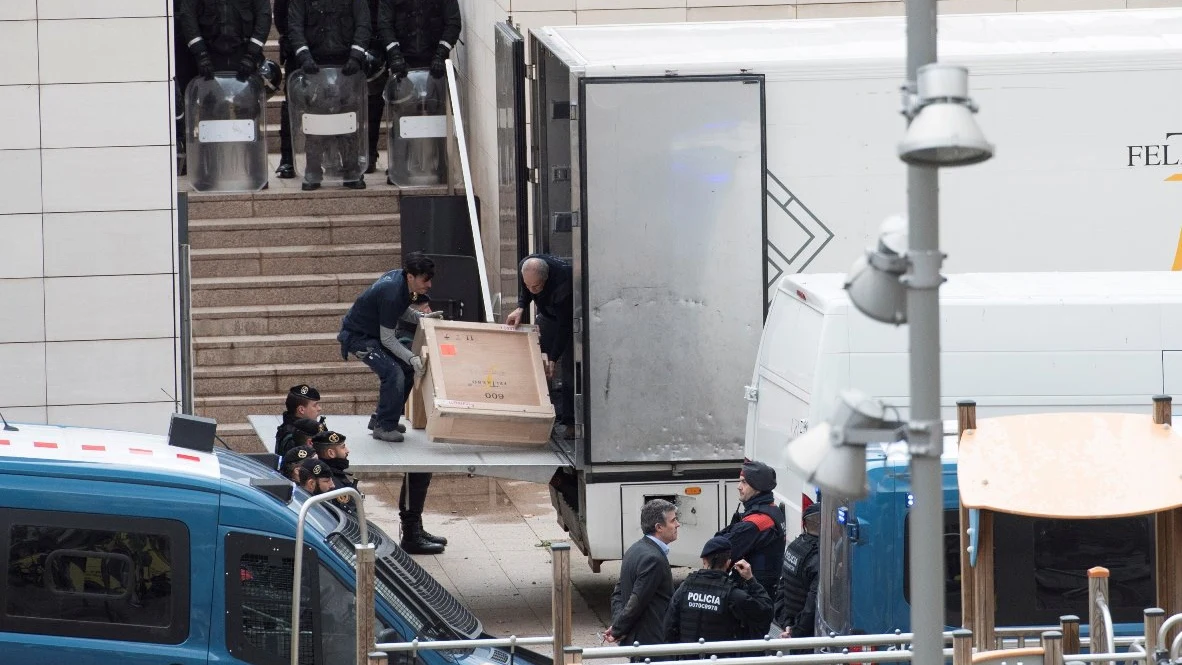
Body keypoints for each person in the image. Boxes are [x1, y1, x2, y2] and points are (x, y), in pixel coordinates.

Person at [338, 252, 441, 443]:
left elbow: (401, 311)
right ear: (411, 276)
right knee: (394, 373)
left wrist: (423, 318)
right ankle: (384, 427)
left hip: (373, 334)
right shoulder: (391, 291)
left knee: (407, 370)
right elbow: (388, 339)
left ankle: (384, 418)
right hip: (359, 338)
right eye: (425, 280)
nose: (429, 285)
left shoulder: (401, 280)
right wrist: (411, 356)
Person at [286, 0, 372, 191]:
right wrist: (304, 57)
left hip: (347, 68)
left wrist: (356, 57)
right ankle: (313, 171)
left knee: (348, 124)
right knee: (315, 125)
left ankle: (352, 171)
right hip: (315, 67)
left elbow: (363, 24)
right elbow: (295, 27)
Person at [662, 535, 774, 655]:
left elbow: (668, 628)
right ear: (728, 563)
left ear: (704, 560)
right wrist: (750, 579)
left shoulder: (684, 588)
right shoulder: (732, 594)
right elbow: (766, 611)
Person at [504, 254, 574, 439]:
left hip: (567, 318)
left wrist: (553, 357)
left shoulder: (562, 281)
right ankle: (537, 416)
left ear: (546, 278)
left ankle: (570, 422)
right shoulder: (526, 267)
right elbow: (527, 290)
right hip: (547, 315)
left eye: (537, 286)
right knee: (536, 361)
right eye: (528, 285)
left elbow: (564, 325)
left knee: (568, 368)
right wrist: (520, 307)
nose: (532, 290)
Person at [715, 459, 786, 637]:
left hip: (751, 599)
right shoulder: (772, 510)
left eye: (744, 482)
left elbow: (718, 548)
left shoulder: (756, 522)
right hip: (760, 593)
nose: (739, 486)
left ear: (757, 486)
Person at [606, 499, 679, 650]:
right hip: (652, 644)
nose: (677, 524)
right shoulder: (654, 559)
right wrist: (618, 629)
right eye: (673, 520)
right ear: (659, 527)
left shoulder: (634, 549)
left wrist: (617, 626)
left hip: (637, 642)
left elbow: (617, 594)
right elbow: (637, 600)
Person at [177, 0, 272, 82]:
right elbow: (188, 15)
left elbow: (264, 16)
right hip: (208, 56)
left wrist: (252, 54)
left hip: (244, 55)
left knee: (246, 100)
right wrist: (200, 53)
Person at [776, 503, 821, 641]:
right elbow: (811, 606)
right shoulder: (819, 559)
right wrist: (796, 632)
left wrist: (787, 624)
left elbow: (782, 588)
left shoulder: (794, 547)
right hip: (806, 635)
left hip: (791, 626)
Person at [311, 430, 358, 514]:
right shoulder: (333, 482)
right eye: (343, 447)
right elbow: (352, 516)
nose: (347, 451)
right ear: (331, 453)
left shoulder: (331, 473)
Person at [274, 384, 324, 452]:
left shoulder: (308, 428)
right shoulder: (293, 436)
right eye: (315, 405)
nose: (319, 408)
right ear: (301, 410)